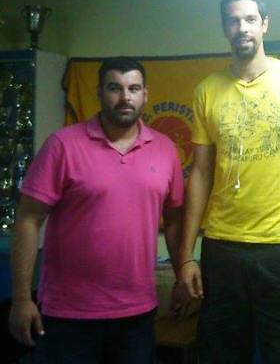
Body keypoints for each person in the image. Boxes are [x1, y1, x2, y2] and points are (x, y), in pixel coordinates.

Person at [176, 0, 280, 363]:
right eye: (233, 21)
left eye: (250, 19)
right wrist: (186, 257)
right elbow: (200, 174)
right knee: (219, 355)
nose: (242, 28)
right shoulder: (207, 90)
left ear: (265, 23)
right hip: (222, 248)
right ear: (225, 28)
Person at [9, 57, 184, 363]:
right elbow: (28, 219)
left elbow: (173, 219)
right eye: (115, 88)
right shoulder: (62, 145)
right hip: (69, 315)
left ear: (145, 94)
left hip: (137, 314)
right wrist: (22, 299)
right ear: (100, 92)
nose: (125, 97)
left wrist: (183, 273)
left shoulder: (165, 148)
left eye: (134, 88)